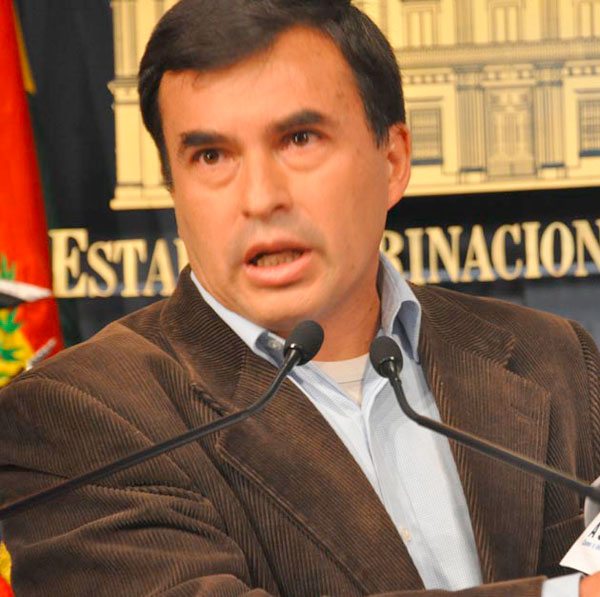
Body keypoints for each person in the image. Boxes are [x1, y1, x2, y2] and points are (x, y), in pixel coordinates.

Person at [1, 1, 600, 595]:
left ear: (393, 160)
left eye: (299, 139)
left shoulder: (554, 357)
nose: (260, 198)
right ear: (174, 188)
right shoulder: (74, 416)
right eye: (211, 156)